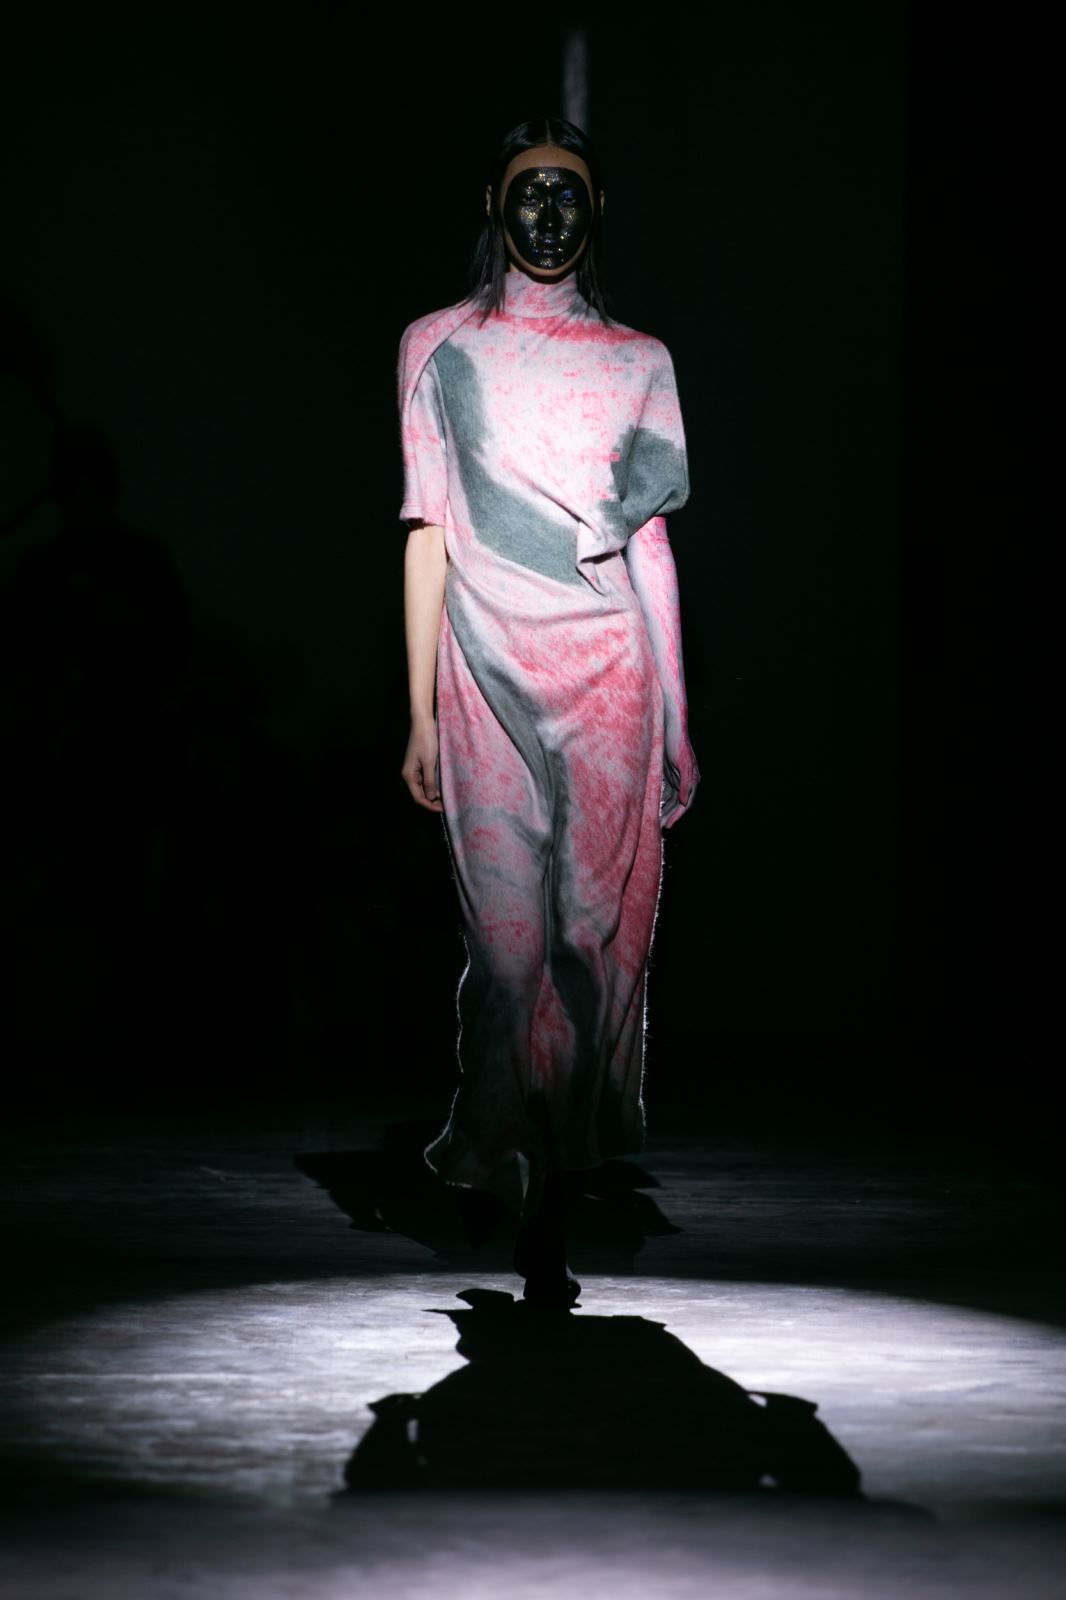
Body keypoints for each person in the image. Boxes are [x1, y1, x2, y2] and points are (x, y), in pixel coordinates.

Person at [398, 117, 699, 1308]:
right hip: (482, 670)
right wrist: (418, 714)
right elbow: (428, 529)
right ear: (494, 202)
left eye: (569, 195)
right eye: (529, 192)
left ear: (597, 210)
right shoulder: (438, 347)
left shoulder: (639, 360)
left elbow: (650, 546)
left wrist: (677, 714)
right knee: (507, 948)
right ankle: (501, 1134)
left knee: (583, 934)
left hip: (610, 672)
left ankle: (550, 1173)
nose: (548, 215)